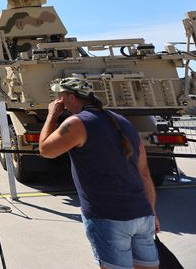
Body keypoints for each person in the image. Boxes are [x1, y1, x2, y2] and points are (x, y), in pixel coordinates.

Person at [39, 77, 160, 269]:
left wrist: (52, 115)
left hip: (109, 216)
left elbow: (46, 150)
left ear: (70, 97)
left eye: (60, 95)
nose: (59, 99)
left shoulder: (76, 123)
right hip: (142, 214)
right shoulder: (122, 122)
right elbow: (144, 173)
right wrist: (152, 212)